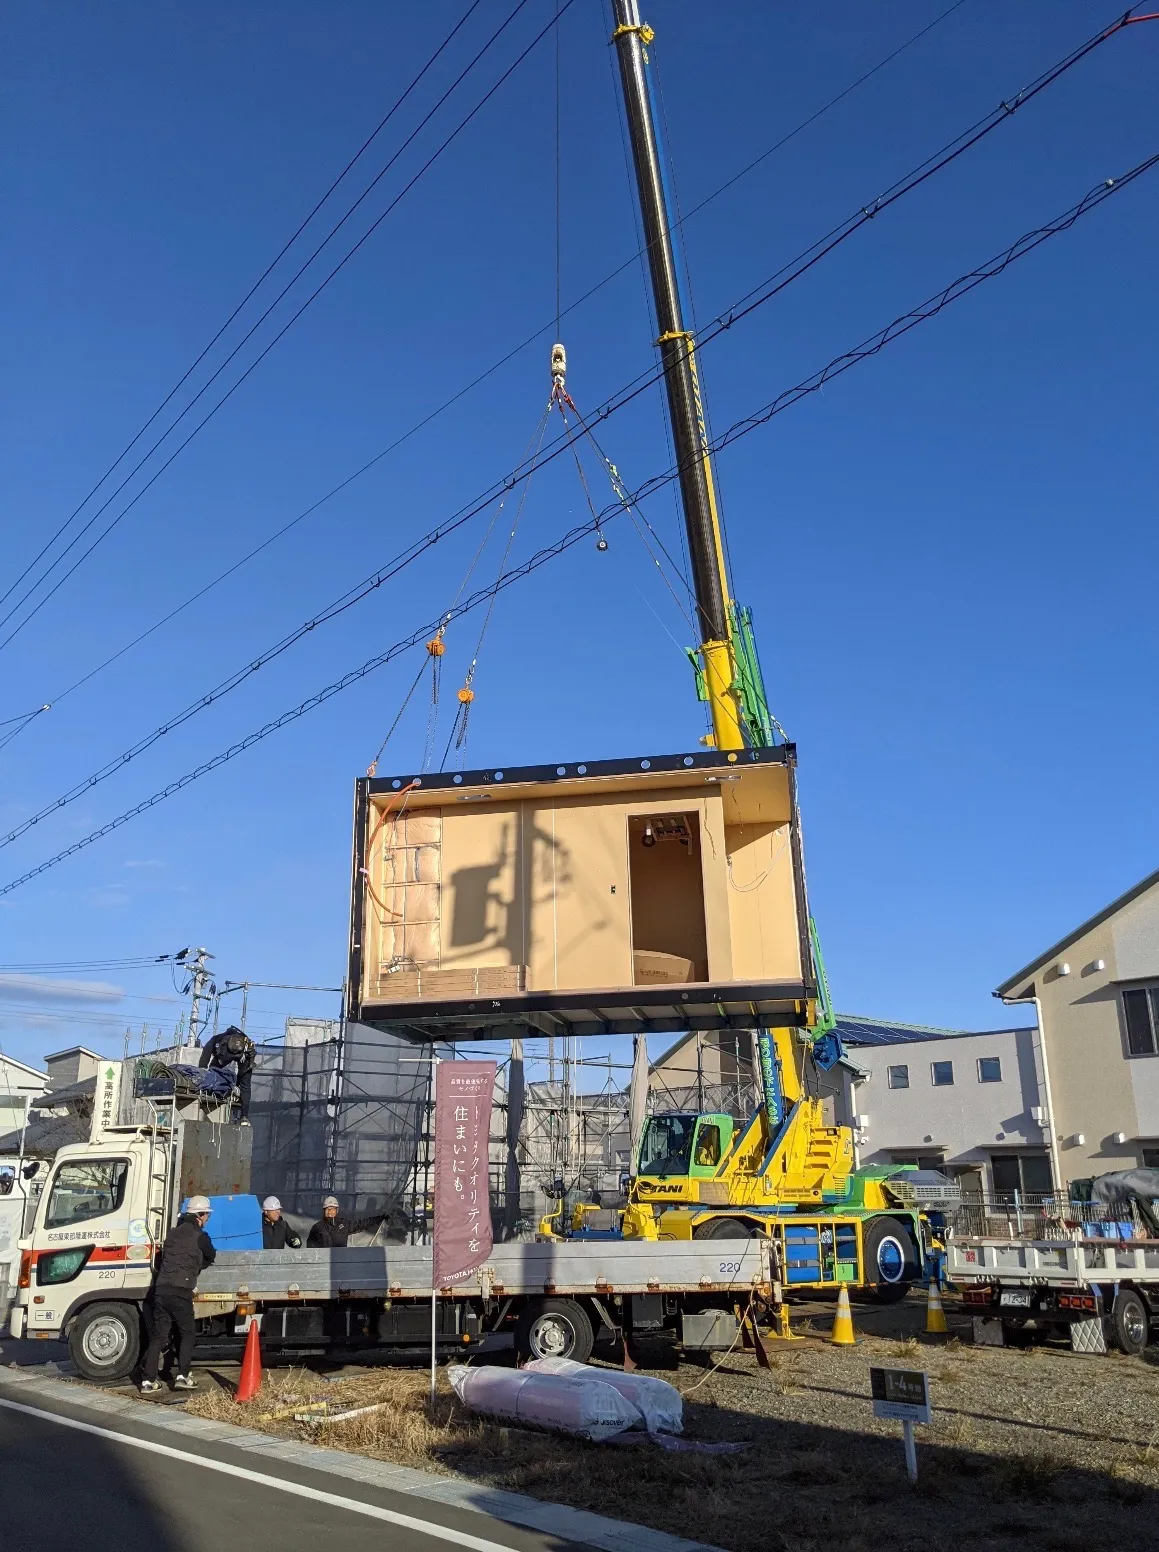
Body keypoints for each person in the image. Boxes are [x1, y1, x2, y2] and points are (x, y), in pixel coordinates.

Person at [140, 1195, 216, 1393]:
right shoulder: (201, 1236)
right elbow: (211, 1255)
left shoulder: (172, 1234)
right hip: (181, 1291)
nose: (207, 1219)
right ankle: (183, 1376)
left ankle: (147, 1381)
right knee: (187, 1333)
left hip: (161, 1290)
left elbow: (165, 1258)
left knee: (158, 1336)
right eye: (207, 1215)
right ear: (200, 1216)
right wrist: (197, 1266)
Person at [199, 1025, 256, 1122]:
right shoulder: (246, 1040)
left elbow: (206, 1053)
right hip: (245, 1053)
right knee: (245, 1085)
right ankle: (244, 1117)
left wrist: (202, 1071)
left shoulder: (216, 1039)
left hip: (226, 1052)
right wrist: (237, 1084)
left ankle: (209, 1094)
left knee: (213, 1072)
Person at [306, 1195, 388, 1248]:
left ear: (337, 1210)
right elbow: (310, 1248)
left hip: (341, 1261)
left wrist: (380, 1218)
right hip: (324, 1263)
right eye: (327, 1209)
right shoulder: (317, 1228)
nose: (330, 1212)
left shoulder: (343, 1224)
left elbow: (362, 1223)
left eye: (332, 1209)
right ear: (324, 1211)